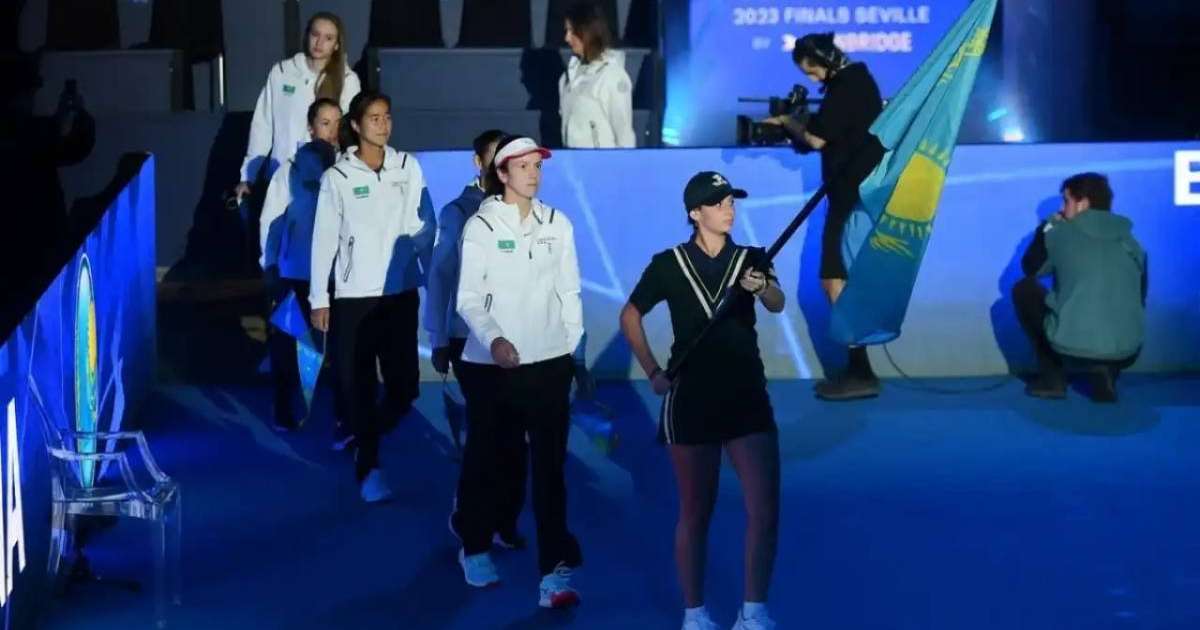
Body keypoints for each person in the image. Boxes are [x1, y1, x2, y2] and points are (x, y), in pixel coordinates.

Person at [620, 171, 784, 630]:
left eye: (731, 201)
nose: (729, 209)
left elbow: (777, 302)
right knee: (696, 513)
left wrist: (762, 288)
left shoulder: (752, 259)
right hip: (690, 401)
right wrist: (652, 370)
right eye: (718, 203)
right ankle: (695, 614)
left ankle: (753, 612)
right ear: (695, 213)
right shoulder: (668, 263)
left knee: (765, 510)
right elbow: (630, 314)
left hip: (747, 397)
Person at [453, 136, 584, 608]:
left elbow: (570, 292)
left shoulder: (558, 223)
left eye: (537, 166)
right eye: (522, 166)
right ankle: (474, 545)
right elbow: (468, 298)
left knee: (550, 471)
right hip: (491, 367)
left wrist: (571, 351)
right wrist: (495, 340)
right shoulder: (481, 225)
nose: (533, 174)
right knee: (489, 460)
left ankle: (553, 574)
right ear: (502, 174)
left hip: (550, 365)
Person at [309, 91, 435, 502]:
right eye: (374, 118)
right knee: (358, 386)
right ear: (357, 125)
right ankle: (370, 468)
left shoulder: (407, 167)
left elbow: (425, 223)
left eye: (387, 117)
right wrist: (319, 298)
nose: (383, 125)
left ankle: (365, 438)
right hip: (354, 298)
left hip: (399, 295)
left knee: (404, 388)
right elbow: (324, 239)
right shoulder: (338, 178)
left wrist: (417, 255)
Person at [765, 32, 885, 401]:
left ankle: (860, 371)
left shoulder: (848, 86)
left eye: (812, 71)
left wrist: (787, 121)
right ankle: (859, 368)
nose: (813, 78)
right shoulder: (856, 82)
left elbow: (817, 138)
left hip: (850, 196)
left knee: (834, 280)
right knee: (836, 280)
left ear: (826, 61)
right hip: (851, 195)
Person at [426, 129, 530, 550]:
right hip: (466, 338)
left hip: (516, 340)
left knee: (514, 435)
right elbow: (440, 276)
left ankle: (504, 520)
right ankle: (471, 521)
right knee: (487, 432)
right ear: (480, 162)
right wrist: (438, 336)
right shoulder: (458, 212)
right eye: (495, 156)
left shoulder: (527, 212)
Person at [1013, 172, 1146, 402]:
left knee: (1024, 290)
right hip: (1127, 351)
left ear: (1082, 203)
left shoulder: (1059, 234)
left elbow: (1030, 268)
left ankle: (1053, 380)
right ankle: (1107, 373)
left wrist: (1047, 226)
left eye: (1066, 201)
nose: (1062, 209)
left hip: (1071, 349)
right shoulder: (1133, 244)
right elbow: (1140, 296)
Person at [258, 98, 341, 431]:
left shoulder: (349, 168)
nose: (331, 131)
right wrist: (270, 265)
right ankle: (284, 406)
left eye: (337, 123)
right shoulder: (291, 170)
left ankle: (343, 415)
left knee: (338, 349)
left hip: (337, 278)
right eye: (324, 123)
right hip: (295, 272)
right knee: (288, 344)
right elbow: (272, 221)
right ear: (310, 127)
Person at [235, 12, 361, 200]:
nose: (319, 43)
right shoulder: (282, 72)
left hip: (324, 182)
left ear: (337, 45)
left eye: (328, 38)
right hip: (280, 179)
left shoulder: (348, 80)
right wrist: (248, 176)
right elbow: (263, 126)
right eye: (315, 34)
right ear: (307, 35)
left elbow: (350, 135)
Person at [558, 0, 636, 148]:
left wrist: (624, 163)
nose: (567, 38)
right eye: (566, 31)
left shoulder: (612, 76)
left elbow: (624, 135)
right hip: (572, 160)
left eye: (572, 31)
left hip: (601, 161)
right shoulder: (567, 78)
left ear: (587, 32)